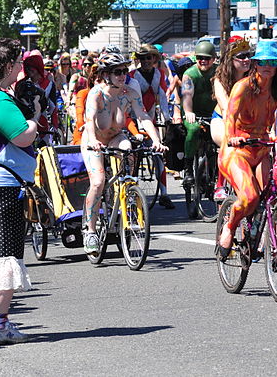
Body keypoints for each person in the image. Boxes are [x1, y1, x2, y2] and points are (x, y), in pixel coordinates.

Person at [216, 41, 277, 258]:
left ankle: (256, 237)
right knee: (249, 197)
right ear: (255, 63)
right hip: (237, 150)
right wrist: (232, 137)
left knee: (269, 196)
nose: (267, 66)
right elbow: (230, 116)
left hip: (263, 148)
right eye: (262, 61)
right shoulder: (242, 86)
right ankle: (230, 226)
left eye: (273, 61)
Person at [0, 38, 39, 344]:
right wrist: (34, 117)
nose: (20, 69)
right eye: (18, 63)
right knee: (4, 255)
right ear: (7, 66)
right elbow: (22, 137)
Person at [80, 53, 167, 255]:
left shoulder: (129, 91)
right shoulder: (96, 94)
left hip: (116, 136)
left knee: (129, 149)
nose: (122, 75)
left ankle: (127, 195)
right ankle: (90, 231)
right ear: (105, 74)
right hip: (94, 140)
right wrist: (93, 141)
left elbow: (143, 117)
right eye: (117, 72)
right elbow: (90, 120)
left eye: (124, 71)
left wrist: (156, 141)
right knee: (98, 182)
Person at [128, 44, 173, 209]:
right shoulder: (132, 75)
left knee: (159, 155)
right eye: (142, 58)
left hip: (150, 119)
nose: (145, 61)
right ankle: (131, 193)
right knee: (131, 157)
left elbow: (162, 96)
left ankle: (164, 194)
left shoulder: (159, 74)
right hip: (133, 119)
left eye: (149, 57)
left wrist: (167, 117)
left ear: (154, 58)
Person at [210, 37, 252, 200]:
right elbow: (226, 107)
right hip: (222, 120)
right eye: (241, 56)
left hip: (247, 122)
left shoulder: (254, 78)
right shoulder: (220, 79)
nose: (247, 59)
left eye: (248, 55)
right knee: (229, 142)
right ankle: (220, 185)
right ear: (230, 59)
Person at [181, 41, 218, 187]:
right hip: (193, 113)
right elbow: (187, 95)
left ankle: (215, 168)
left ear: (214, 58)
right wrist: (189, 112)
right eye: (200, 57)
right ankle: (188, 169)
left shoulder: (219, 71)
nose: (203, 61)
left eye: (207, 58)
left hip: (213, 114)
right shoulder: (189, 74)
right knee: (193, 129)